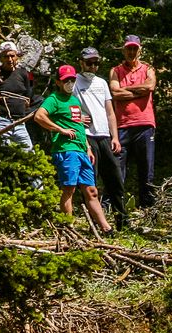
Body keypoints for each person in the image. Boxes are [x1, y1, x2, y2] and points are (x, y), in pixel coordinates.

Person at [33, 65, 114, 237]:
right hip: (66, 149)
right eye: (66, 80)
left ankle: (106, 228)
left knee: (91, 190)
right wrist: (59, 129)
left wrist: (88, 147)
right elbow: (39, 116)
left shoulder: (75, 100)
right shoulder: (53, 99)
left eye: (72, 80)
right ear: (58, 82)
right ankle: (68, 229)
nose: (69, 83)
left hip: (81, 149)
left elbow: (78, 125)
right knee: (69, 189)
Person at [74, 46, 129, 228]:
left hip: (105, 135)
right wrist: (77, 118)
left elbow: (110, 112)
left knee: (115, 178)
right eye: (89, 63)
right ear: (81, 62)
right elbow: (67, 106)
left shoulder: (102, 83)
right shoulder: (74, 82)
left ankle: (122, 220)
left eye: (96, 63)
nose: (93, 66)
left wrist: (115, 137)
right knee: (91, 181)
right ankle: (96, 223)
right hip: (87, 135)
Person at [109, 34, 157, 209]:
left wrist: (126, 90)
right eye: (128, 48)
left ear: (140, 50)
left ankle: (147, 208)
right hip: (122, 126)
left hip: (145, 124)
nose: (131, 52)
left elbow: (150, 86)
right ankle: (116, 208)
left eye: (134, 49)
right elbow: (115, 92)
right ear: (123, 50)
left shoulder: (148, 68)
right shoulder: (116, 70)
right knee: (118, 169)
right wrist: (139, 91)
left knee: (147, 170)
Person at [0, 41, 38, 151]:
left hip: (20, 122)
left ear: (16, 56)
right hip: (1, 121)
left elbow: (27, 97)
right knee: (2, 152)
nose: (9, 59)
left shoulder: (23, 73)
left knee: (28, 150)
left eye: (12, 56)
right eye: (6, 56)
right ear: (0, 58)